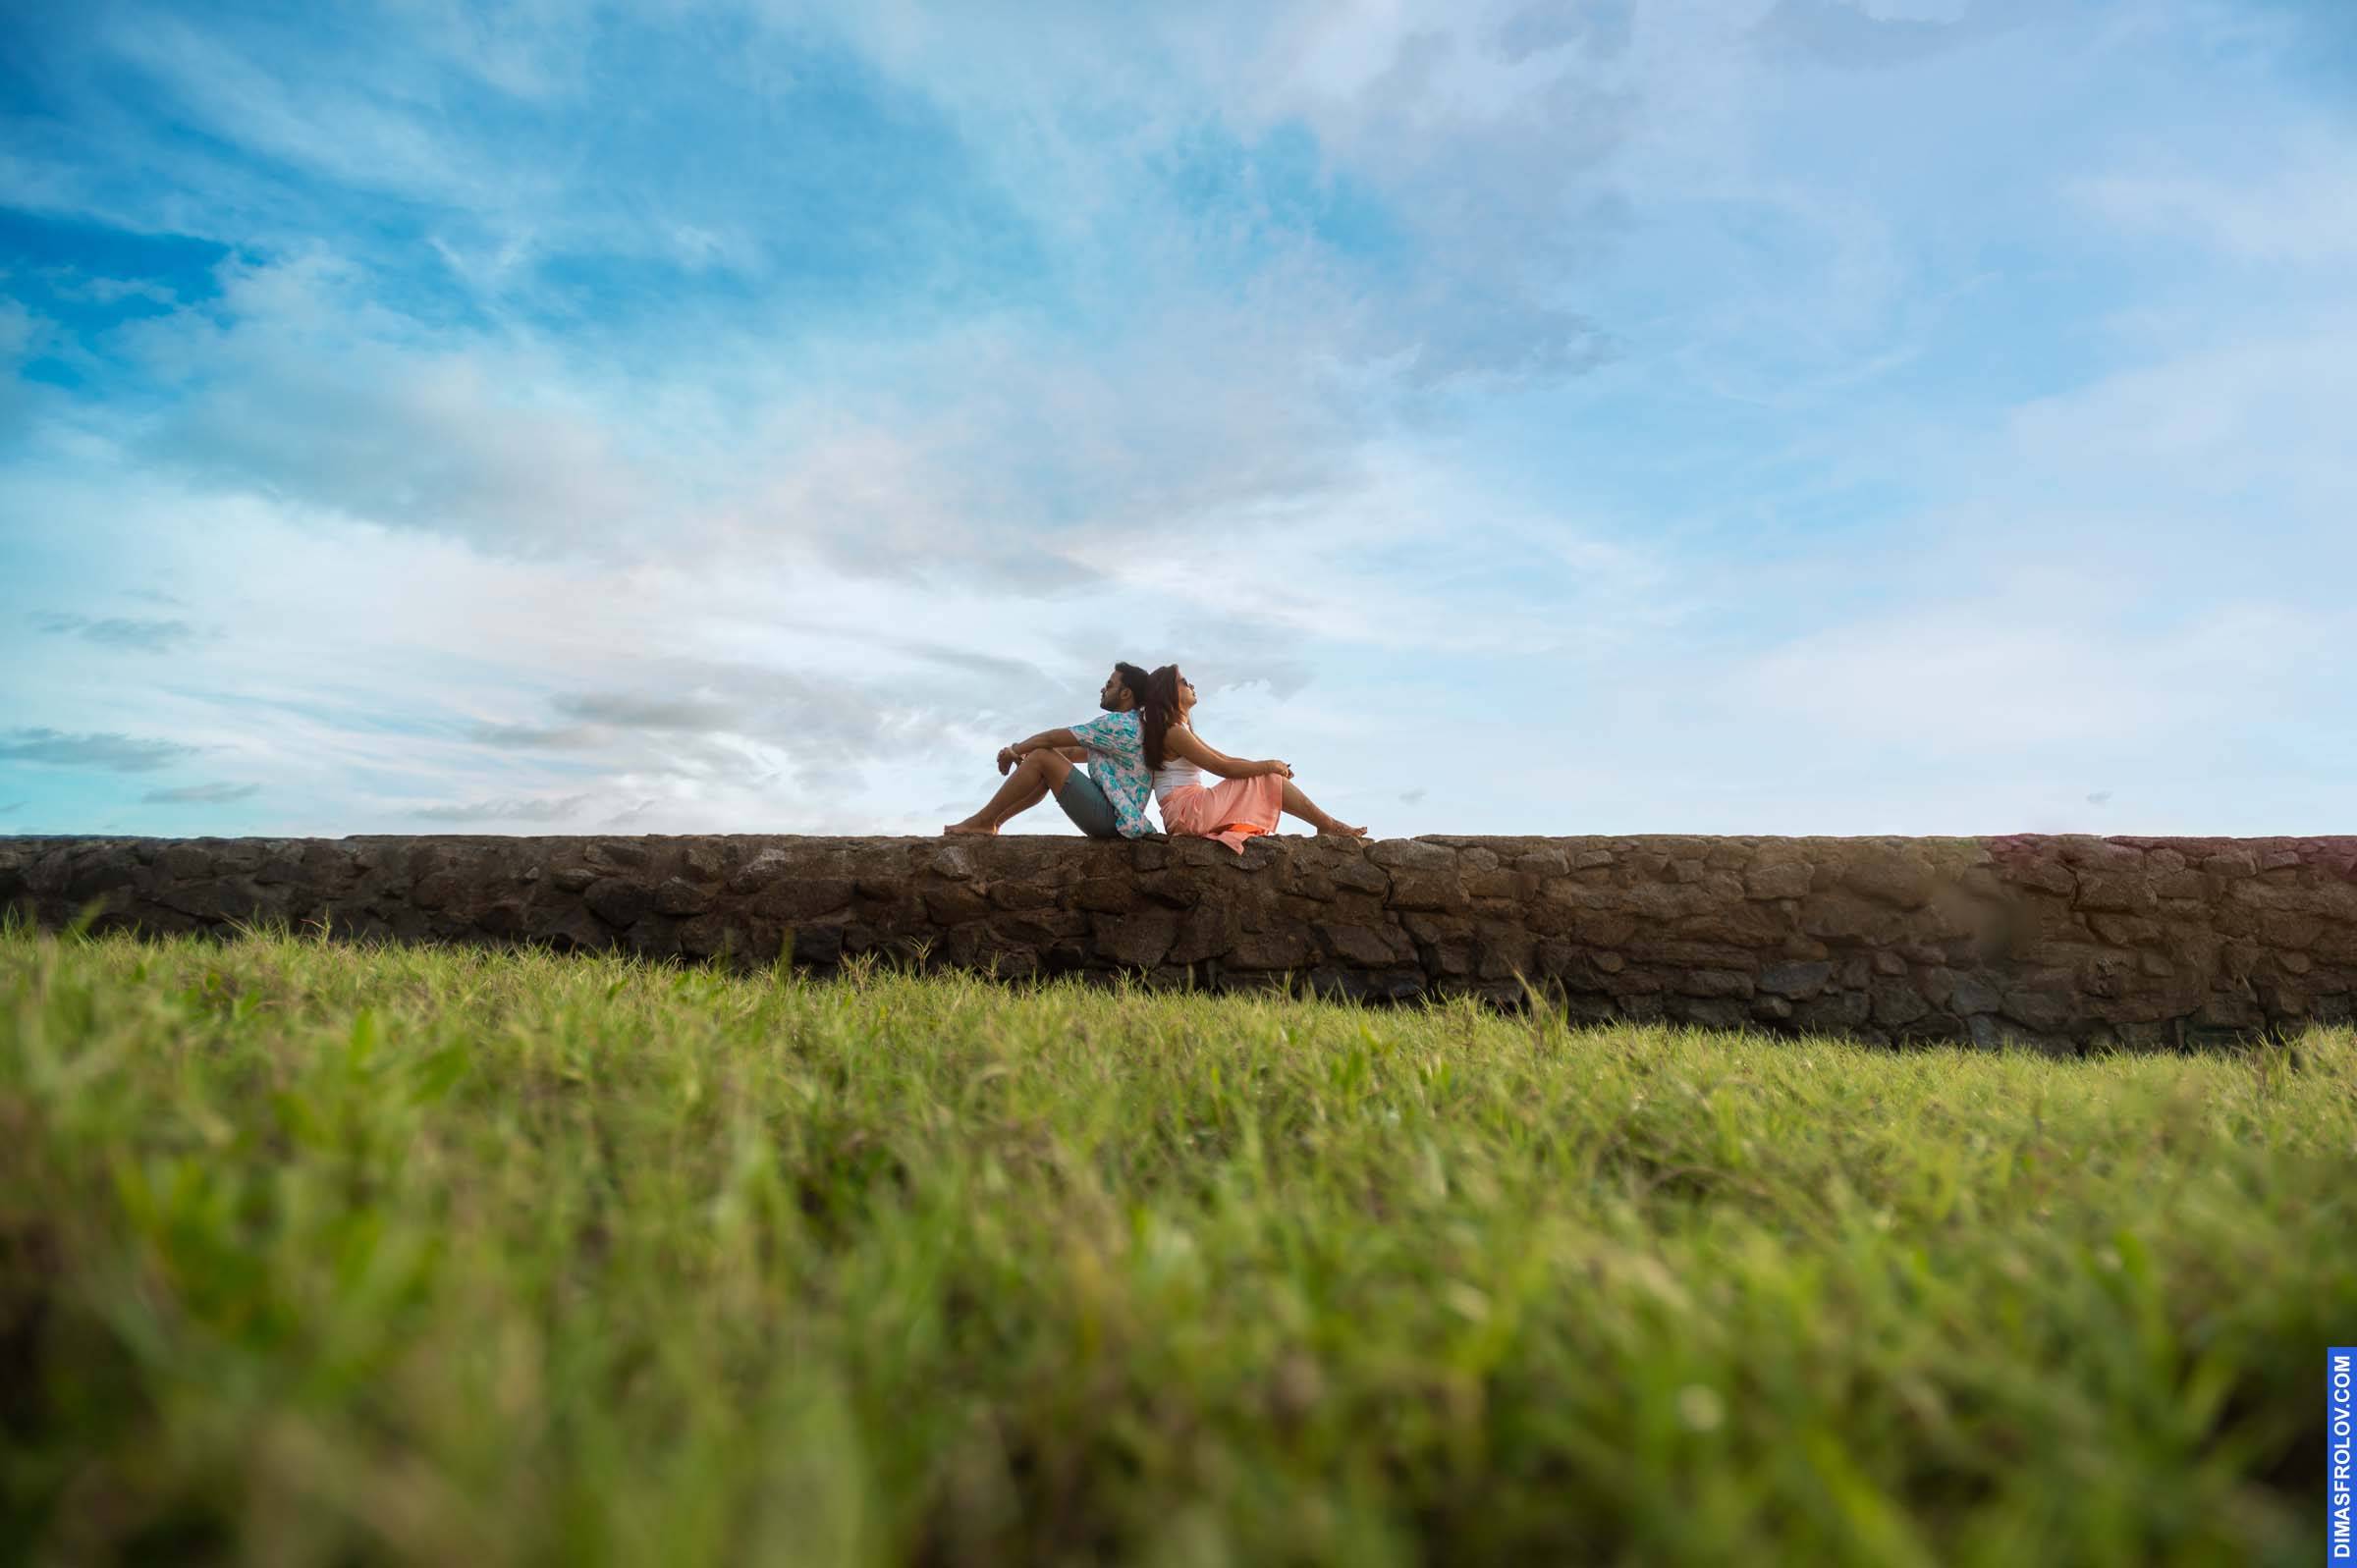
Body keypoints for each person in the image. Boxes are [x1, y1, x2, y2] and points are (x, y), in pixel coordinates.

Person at [1138, 664, 1365, 852]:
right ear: (1168, 691)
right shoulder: (1174, 733)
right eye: (1184, 682)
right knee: (1267, 779)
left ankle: (1326, 824)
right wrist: (1268, 767)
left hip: (1187, 811)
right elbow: (1221, 767)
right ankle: (1328, 824)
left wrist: (1270, 767)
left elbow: (1224, 757)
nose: (1192, 685)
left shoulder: (1180, 729)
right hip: (1187, 813)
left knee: (1267, 777)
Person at [943, 663, 1160, 839]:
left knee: (1042, 756)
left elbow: (1051, 739)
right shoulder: (1134, 726)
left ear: (1125, 694)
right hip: (1115, 817)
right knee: (1042, 762)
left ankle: (983, 821)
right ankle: (993, 823)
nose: (1103, 689)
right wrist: (1025, 760)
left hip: (1111, 819)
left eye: (1109, 685)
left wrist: (1014, 750)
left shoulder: (1119, 724)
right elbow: (1073, 753)